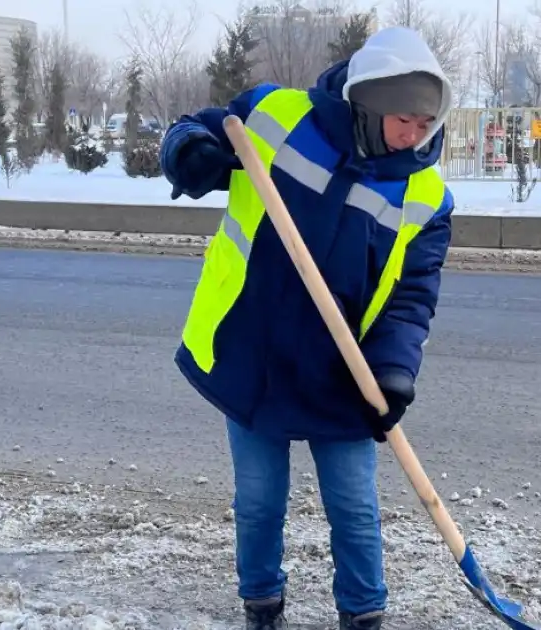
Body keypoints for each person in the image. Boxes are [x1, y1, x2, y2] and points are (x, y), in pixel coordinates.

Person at [158, 25, 455, 630]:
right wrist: (189, 153)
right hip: (255, 354)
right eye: (404, 118)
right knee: (260, 503)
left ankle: (364, 616)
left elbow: (411, 298)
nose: (415, 134)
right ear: (367, 102)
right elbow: (193, 128)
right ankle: (262, 605)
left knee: (354, 507)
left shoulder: (426, 196)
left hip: (343, 373)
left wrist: (394, 373)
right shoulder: (275, 117)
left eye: (426, 124)